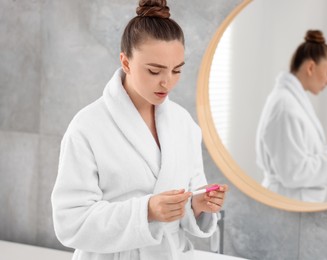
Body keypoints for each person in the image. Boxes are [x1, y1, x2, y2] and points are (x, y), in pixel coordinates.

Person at [51, 1, 228, 259]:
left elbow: (190, 196)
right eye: (154, 70)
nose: (167, 81)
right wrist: (146, 211)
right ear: (126, 62)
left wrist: (198, 205)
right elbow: (70, 222)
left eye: (176, 70)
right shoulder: (88, 126)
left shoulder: (183, 124)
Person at [255, 30, 327, 203]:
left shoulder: (292, 101)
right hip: (287, 203)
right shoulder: (285, 106)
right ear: (311, 67)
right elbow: (292, 172)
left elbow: (297, 154)